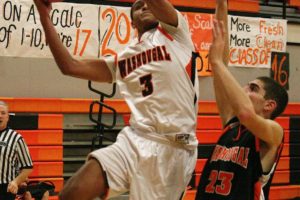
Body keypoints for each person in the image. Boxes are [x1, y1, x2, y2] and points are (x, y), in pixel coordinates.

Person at [33, 0, 207, 199]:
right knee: (72, 192)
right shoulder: (123, 60)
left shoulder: (177, 33)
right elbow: (70, 66)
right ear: (132, 23)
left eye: (147, 4)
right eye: (138, 7)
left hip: (173, 148)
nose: (144, 6)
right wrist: (44, 15)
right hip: (135, 138)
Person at [195, 2, 289, 199]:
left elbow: (246, 113)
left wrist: (216, 63)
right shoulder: (232, 125)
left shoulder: (274, 133)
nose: (244, 90)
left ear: (269, 105)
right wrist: (222, 4)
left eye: (253, 89)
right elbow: (222, 67)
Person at [0, 101, 33, 200]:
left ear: (8, 117)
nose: (0, 116)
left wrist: (16, 182)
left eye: (3, 113)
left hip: (5, 189)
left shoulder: (16, 138)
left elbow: (28, 167)